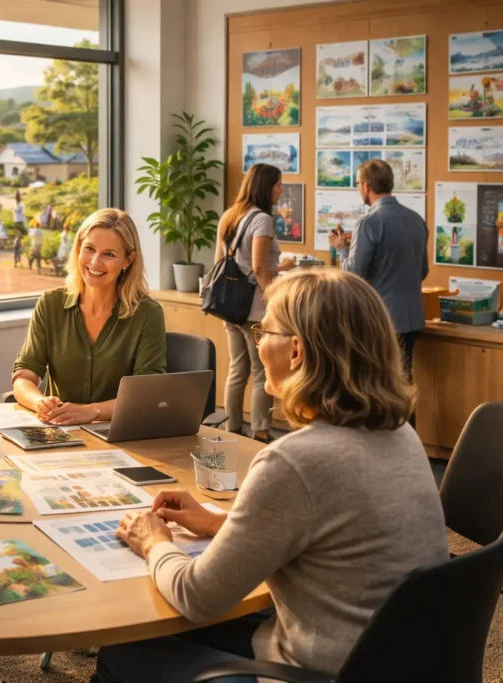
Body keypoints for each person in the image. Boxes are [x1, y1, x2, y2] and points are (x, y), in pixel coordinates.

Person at [97, 268, 449, 683]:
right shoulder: (400, 433)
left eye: (264, 331)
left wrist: (153, 541)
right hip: (388, 661)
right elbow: (334, 531)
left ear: (296, 351)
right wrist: (220, 523)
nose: (258, 341)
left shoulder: (295, 461)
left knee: (123, 652)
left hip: (316, 671)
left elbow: (197, 597)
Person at [12, 209, 166, 426]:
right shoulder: (50, 304)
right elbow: (24, 376)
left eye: (109, 254)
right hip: (60, 433)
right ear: (78, 249)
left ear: (128, 260)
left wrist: (92, 411)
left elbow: (146, 393)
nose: (95, 261)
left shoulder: (147, 314)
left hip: (120, 435)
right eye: (89, 249)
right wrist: (39, 402)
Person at [329, 158, 428, 397]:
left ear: (366, 186)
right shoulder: (416, 219)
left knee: (376, 385)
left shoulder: (369, 222)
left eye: (358, 184)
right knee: (403, 383)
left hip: (380, 318)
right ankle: (406, 435)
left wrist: (342, 249)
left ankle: (380, 435)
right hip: (412, 317)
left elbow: (352, 275)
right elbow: (423, 271)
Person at [213, 163, 294, 443]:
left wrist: (278, 268)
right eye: (278, 185)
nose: (281, 190)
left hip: (229, 305)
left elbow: (219, 262)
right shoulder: (262, 220)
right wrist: (274, 296)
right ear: (265, 186)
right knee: (261, 372)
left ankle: (232, 429)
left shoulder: (230, 215)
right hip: (255, 308)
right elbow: (259, 268)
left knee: (237, 370)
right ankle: (260, 433)